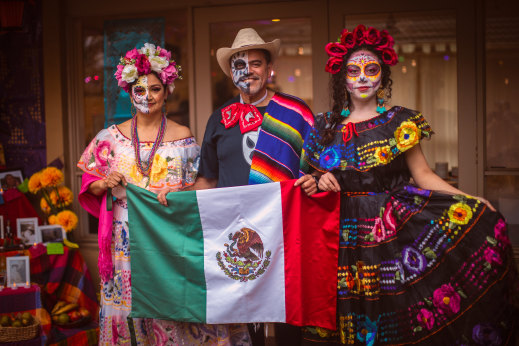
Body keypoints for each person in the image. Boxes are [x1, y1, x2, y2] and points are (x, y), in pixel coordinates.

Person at [297, 25, 518, 344]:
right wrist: (317, 180)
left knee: (391, 313)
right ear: (342, 78)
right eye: (353, 70)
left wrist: (469, 199)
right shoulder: (324, 127)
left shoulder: (401, 122)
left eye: (371, 70)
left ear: (382, 77)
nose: (362, 77)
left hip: (389, 233)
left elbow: (424, 175)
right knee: (342, 311)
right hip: (339, 235)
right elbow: (306, 181)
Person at [77, 43, 250, 345]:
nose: (147, 97)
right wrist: (104, 183)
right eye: (139, 91)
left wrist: (178, 190)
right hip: (125, 242)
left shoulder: (183, 136)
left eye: (155, 89)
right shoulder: (109, 138)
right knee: (132, 310)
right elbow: (88, 182)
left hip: (170, 236)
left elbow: (201, 183)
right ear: (129, 93)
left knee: (173, 311)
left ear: (167, 90)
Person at [158, 28, 316, 345]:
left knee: (287, 316)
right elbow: (208, 180)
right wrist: (181, 193)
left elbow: (317, 170)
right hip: (238, 235)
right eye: (240, 65)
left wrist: (315, 179)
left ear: (268, 68)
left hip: (284, 231)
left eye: (256, 63)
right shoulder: (219, 119)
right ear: (232, 72)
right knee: (246, 321)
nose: (249, 71)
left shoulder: (296, 113)